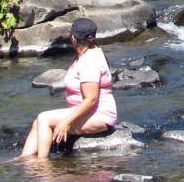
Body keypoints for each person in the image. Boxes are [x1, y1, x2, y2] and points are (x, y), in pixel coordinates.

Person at [19, 17, 117, 159]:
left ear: (73, 38)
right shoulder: (91, 52)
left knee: (44, 119)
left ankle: (42, 165)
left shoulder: (89, 61)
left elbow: (91, 99)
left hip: (99, 116)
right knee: (38, 123)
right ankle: (23, 160)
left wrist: (66, 122)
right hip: (88, 113)